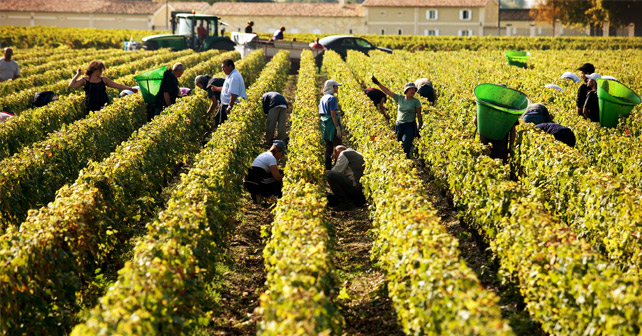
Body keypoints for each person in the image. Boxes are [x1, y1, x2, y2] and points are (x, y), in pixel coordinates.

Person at [372, 76, 422, 158]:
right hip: (399, 125)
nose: (413, 91)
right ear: (406, 90)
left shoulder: (416, 101)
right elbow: (387, 91)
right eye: (411, 89)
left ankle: (407, 161)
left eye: (414, 89)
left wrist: (419, 127)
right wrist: (377, 83)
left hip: (409, 126)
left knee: (406, 145)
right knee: (399, 144)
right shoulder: (400, 98)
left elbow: (419, 115)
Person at [68, 60, 136, 114]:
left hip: (104, 104)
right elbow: (71, 85)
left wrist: (130, 88)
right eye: (100, 70)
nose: (101, 71)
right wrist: (78, 75)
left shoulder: (103, 79)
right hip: (90, 106)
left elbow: (117, 85)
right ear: (94, 70)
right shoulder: (85, 80)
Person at [244, 140, 286, 204]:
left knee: (277, 174)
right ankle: (280, 200)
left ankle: (257, 195)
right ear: (277, 151)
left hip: (250, 179)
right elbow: (277, 177)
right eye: (282, 154)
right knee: (279, 176)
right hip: (257, 181)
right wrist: (287, 182)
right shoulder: (272, 158)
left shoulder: (265, 154)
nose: (282, 156)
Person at [209, 59, 246, 128]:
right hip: (225, 104)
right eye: (222, 67)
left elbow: (234, 94)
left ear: (231, 66)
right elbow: (227, 88)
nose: (223, 69)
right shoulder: (229, 75)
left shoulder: (234, 77)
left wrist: (230, 106)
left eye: (224, 67)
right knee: (220, 123)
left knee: (228, 126)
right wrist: (216, 88)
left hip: (233, 105)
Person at [327, 145, 366, 211]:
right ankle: (353, 201)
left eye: (335, 157)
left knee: (331, 175)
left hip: (355, 188)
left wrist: (323, 173)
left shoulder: (344, 153)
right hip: (362, 192)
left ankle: (346, 203)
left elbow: (336, 171)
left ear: (338, 152)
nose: (337, 160)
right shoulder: (358, 153)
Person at [319, 79, 343, 170]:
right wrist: (337, 128)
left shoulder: (323, 98)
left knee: (328, 146)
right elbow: (333, 115)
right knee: (338, 147)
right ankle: (338, 167)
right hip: (331, 125)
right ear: (332, 87)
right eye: (336, 86)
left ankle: (328, 167)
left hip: (325, 124)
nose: (337, 88)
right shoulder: (332, 98)